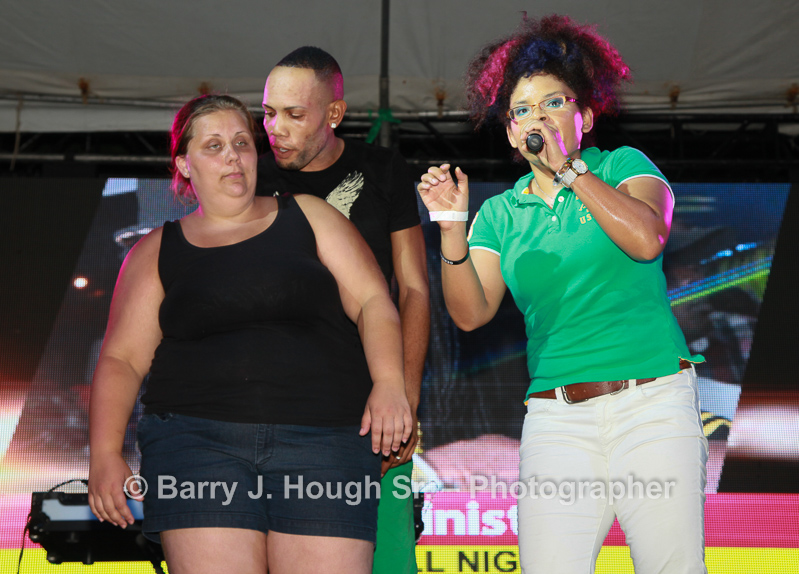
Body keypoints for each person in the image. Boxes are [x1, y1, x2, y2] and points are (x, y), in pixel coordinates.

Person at [418, 15, 708, 574]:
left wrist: (572, 171)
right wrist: (452, 230)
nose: (538, 118)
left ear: (586, 116)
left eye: (553, 103)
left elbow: (646, 239)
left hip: (652, 405)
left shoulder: (622, 167)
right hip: (557, 419)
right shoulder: (500, 214)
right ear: (510, 133)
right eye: (522, 110)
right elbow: (471, 313)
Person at [88, 94, 412, 574]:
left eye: (241, 142)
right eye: (213, 145)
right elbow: (122, 359)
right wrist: (104, 453)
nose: (233, 156)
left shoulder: (309, 215)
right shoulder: (155, 250)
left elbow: (372, 301)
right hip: (196, 445)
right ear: (184, 164)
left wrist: (389, 383)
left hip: (324, 441)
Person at [258, 47, 430, 574]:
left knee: (386, 557)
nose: (276, 129)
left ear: (333, 114)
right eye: (268, 113)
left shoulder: (382, 170)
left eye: (294, 114)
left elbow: (414, 289)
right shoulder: (253, 179)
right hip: (274, 407)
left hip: (369, 401)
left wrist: (405, 399)